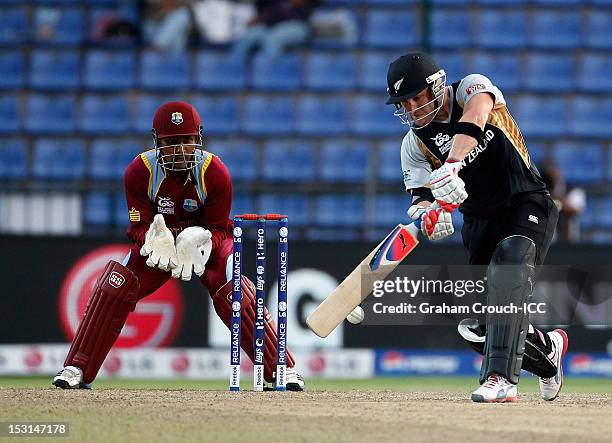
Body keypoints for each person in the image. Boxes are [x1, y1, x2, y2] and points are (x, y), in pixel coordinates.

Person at [53, 101, 304, 391]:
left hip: (204, 244)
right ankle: (76, 368)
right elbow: (137, 227)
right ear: (157, 142)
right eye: (171, 142)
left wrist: (204, 239)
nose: (180, 149)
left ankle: (283, 370)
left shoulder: (215, 173)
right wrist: (152, 238)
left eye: (186, 141)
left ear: (198, 139)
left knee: (232, 285)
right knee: (115, 283)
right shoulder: (139, 172)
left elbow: (221, 228)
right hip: (159, 246)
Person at [385, 53, 567, 403]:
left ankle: (501, 380)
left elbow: (477, 116)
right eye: (404, 103)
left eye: (417, 96)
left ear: (436, 86)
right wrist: (429, 216)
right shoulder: (414, 144)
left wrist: (452, 165)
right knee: (480, 327)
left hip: (525, 201)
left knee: (510, 267)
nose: (412, 108)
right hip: (479, 221)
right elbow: (421, 199)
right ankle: (549, 352)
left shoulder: (471, 88)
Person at [231, 0, 320, 57]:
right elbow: (266, 9)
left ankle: (270, 77)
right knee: (247, 38)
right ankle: (233, 74)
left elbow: (317, 3)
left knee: (272, 39)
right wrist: (259, 18)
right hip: (270, 23)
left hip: (298, 24)